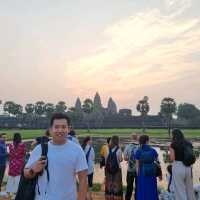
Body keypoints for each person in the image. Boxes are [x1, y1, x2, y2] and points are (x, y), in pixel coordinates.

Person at [24, 113, 88, 200]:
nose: (60, 130)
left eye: (63, 127)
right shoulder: (40, 149)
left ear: (68, 129)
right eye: (56, 127)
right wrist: (33, 170)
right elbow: (26, 173)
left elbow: (83, 179)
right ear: (50, 130)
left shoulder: (77, 150)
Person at [169, 129, 195, 200]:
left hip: (178, 166)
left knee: (180, 191)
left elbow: (172, 158)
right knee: (189, 190)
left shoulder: (173, 144)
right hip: (188, 166)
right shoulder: (188, 143)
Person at [135, 135, 160, 200]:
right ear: (147, 141)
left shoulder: (138, 151)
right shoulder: (153, 150)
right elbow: (157, 162)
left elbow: (137, 165)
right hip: (152, 172)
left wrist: (138, 174)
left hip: (142, 172)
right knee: (152, 188)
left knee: (142, 189)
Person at [6, 133, 26, 197]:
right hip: (19, 163)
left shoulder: (10, 145)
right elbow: (24, 153)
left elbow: (9, 154)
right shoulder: (22, 145)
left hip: (12, 163)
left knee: (10, 178)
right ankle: (15, 193)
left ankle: (8, 192)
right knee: (18, 178)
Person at [105, 135, 123, 200]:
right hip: (117, 169)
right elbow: (120, 160)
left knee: (109, 183)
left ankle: (109, 197)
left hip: (108, 170)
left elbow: (106, 159)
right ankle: (116, 197)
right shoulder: (119, 149)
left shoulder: (107, 148)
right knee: (117, 184)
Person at [124, 134, 139, 200]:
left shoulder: (127, 146)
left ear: (131, 138)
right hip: (138, 170)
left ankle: (127, 198)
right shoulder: (140, 146)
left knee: (129, 187)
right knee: (138, 187)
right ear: (137, 138)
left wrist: (129, 159)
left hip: (130, 170)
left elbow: (125, 158)